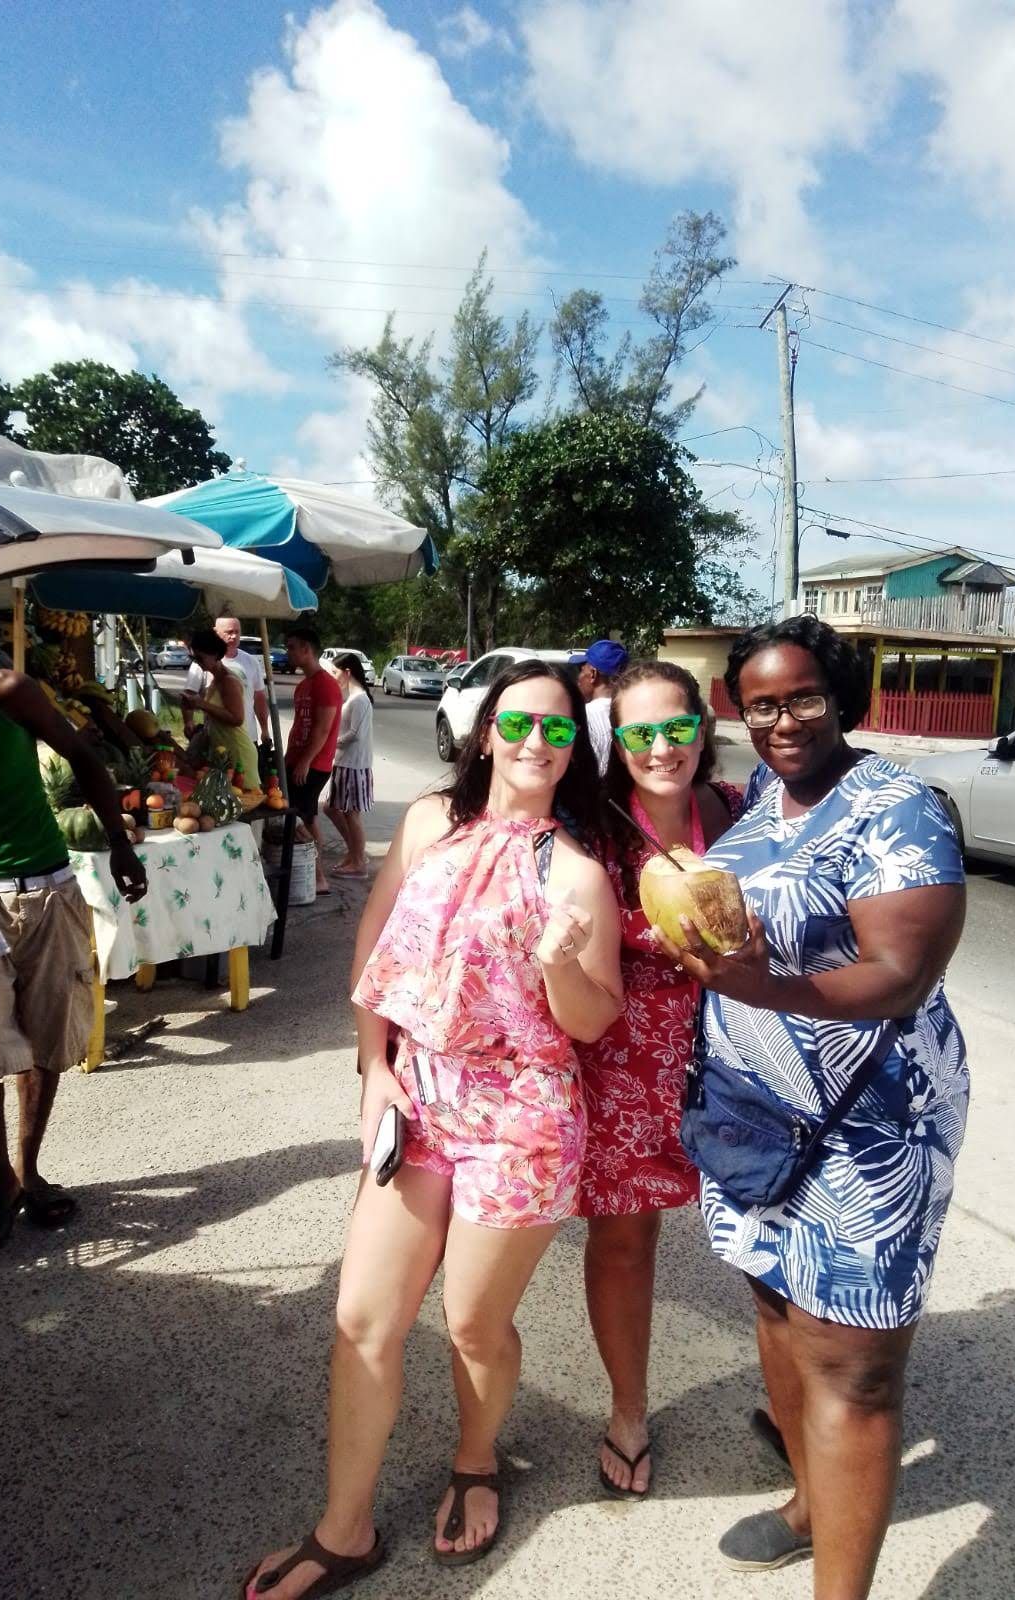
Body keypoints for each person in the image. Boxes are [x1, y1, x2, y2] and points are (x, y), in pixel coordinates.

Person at [242, 660, 622, 1597]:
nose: (538, 742)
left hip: (524, 1115)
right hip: (421, 1096)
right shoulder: (425, 823)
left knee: (472, 1324)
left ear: (576, 752)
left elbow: (590, 1022)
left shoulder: (577, 874)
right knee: (363, 1319)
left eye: (560, 731)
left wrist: (560, 964)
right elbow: (375, 938)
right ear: (488, 731)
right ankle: (344, 1532)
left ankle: (476, 1460)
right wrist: (374, 1065)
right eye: (521, 724)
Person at [654, 616, 968, 1597]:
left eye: (803, 696)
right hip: (755, 1112)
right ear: (737, 711)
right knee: (777, 1304)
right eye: (762, 702)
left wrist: (763, 991)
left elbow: (900, 975)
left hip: (869, 1125)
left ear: (840, 696)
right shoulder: (764, 794)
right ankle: (807, 1501)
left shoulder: (899, 806)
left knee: (854, 1366)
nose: (783, 718)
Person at [578, 660, 743, 1498]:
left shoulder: (738, 812)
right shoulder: (596, 827)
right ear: (619, 739)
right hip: (629, 1068)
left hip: (738, 1058)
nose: (660, 747)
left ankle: (793, 1402)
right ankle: (629, 1411)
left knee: (765, 1232)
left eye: (676, 728)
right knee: (627, 1240)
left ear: (702, 729)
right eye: (639, 732)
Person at [0, 658, 147, 1251]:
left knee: (47, 1038)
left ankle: (27, 1171)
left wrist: (120, 844)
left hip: (44, 888)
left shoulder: (6, 691)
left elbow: (83, 756)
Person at [284, 624, 343, 897]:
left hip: (314, 765)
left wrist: (306, 761)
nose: (288, 652)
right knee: (295, 816)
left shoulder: (326, 685)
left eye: (292, 647)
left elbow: (322, 729)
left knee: (306, 818)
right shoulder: (304, 686)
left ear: (307, 649)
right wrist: (289, 758)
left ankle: (319, 876)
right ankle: (304, 869)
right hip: (297, 761)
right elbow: (300, 726)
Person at [179, 628, 261, 784]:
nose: (197, 662)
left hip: (238, 751)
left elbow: (237, 718)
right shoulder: (216, 679)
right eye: (194, 658)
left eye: (200, 658)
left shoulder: (228, 680)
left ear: (215, 655)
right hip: (223, 752)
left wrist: (202, 704)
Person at [182, 615, 270, 752]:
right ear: (216, 633)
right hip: (218, 740)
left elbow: (255, 701)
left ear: (215, 654)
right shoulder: (206, 670)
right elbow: (190, 694)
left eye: (237, 632)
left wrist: (264, 729)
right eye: (229, 632)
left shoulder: (239, 670)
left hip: (239, 742)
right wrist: (188, 721)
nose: (234, 636)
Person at [324, 654, 374, 879]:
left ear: (347, 672)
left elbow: (355, 734)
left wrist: (330, 741)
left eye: (336, 673)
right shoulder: (354, 699)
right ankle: (355, 853)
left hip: (354, 764)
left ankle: (358, 861)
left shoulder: (359, 700)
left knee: (351, 814)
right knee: (331, 808)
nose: (334, 678)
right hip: (345, 762)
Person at [569, 640, 629, 773]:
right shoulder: (633, 714)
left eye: (581, 669)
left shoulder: (581, 717)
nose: (578, 678)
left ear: (592, 674)